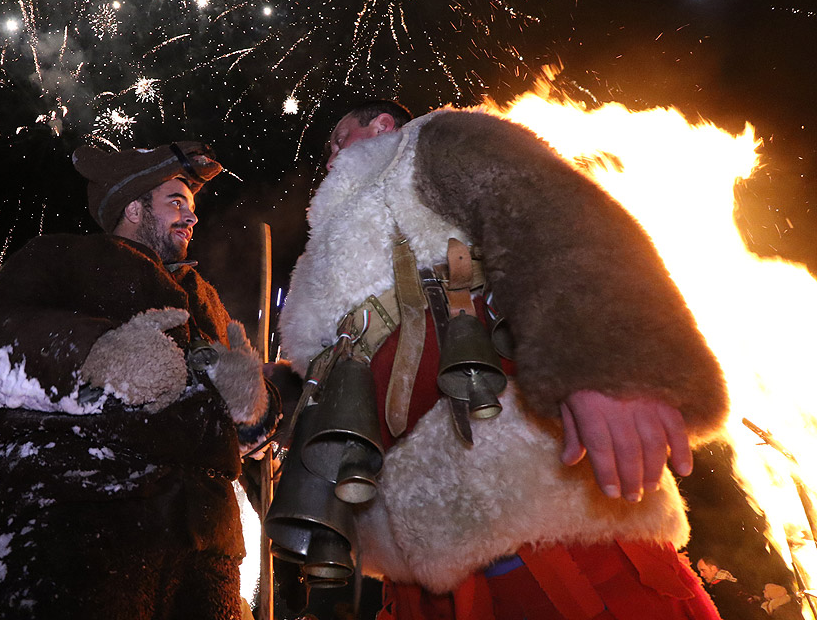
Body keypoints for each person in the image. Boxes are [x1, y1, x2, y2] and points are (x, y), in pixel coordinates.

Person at [277, 101, 731, 619]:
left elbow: (544, 210)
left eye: (340, 136)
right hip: (413, 571)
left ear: (382, 126)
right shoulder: (327, 251)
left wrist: (605, 366)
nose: (330, 154)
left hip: (543, 533)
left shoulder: (425, 144)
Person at [0, 140, 279, 620]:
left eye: (191, 207)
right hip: (77, 531)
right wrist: (98, 354)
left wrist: (253, 405)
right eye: (176, 202)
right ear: (133, 206)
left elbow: (250, 435)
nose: (192, 218)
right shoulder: (64, 258)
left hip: (207, 553)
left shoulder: (204, 298)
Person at [694, 557, 766, 620]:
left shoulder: (721, 588)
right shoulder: (731, 582)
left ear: (713, 568)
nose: (701, 575)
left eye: (703, 570)